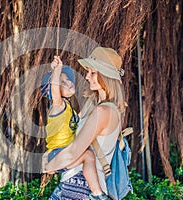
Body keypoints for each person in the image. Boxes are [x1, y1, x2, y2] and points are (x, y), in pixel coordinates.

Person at [44, 47, 126, 200]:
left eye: (93, 72)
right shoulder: (92, 104)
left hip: (83, 190)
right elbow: (70, 131)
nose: (87, 77)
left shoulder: (104, 112)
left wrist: (50, 165)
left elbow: (74, 151)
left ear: (106, 75)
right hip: (69, 186)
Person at [41, 56, 105, 198]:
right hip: (58, 153)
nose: (68, 82)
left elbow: (85, 117)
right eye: (62, 82)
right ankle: (98, 194)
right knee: (88, 156)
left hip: (67, 153)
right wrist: (56, 71)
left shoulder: (71, 111)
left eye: (68, 79)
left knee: (88, 156)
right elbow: (55, 90)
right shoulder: (58, 106)